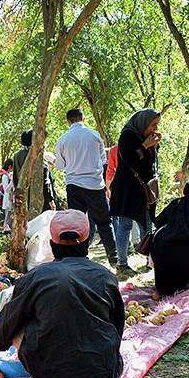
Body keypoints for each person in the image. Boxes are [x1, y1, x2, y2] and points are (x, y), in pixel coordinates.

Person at [0, 209, 124, 378]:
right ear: (87, 243)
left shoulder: (36, 277)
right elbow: (117, 328)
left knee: (17, 320)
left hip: (49, 373)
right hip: (103, 371)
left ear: (52, 244)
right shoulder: (106, 276)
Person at [55, 109, 118, 265]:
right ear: (83, 118)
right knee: (104, 222)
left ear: (67, 121)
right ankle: (113, 257)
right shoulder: (94, 136)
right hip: (94, 184)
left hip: (74, 185)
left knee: (77, 223)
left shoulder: (63, 139)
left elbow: (60, 165)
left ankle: (79, 257)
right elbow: (103, 160)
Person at [110, 109, 162, 276]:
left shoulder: (146, 136)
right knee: (124, 225)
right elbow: (130, 159)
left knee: (147, 224)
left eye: (156, 125)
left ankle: (150, 261)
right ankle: (122, 263)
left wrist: (155, 146)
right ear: (143, 123)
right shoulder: (128, 136)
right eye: (152, 125)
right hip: (127, 188)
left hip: (143, 189)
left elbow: (150, 162)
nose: (154, 128)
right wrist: (145, 145)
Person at [1, 158, 15, 231]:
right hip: (7, 200)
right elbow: (6, 189)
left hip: (10, 199)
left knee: (9, 217)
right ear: (10, 166)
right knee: (7, 218)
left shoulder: (7, 175)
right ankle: (6, 232)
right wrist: (12, 182)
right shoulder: (5, 176)